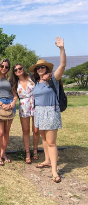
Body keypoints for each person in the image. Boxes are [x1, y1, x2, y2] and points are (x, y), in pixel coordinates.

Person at [31, 37, 66, 183]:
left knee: (51, 142)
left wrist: (61, 48)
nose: (40, 69)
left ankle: (54, 171)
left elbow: (63, 65)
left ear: (47, 69)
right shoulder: (36, 83)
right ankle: (47, 160)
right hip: (39, 112)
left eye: (43, 67)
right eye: (38, 67)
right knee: (44, 139)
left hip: (50, 111)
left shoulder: (53, 79)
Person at [0, 58, 18, 166]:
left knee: (6, 132)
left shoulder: (10, 79)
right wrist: (1, 104)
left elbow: (15, 94)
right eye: (2, 66)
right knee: (0, 133)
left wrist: (13, 103)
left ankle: (3, 153)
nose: (4, 68)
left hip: (10, 105)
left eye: (6, 67)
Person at [12, 63, 40, 164]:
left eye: (20, 68)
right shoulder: (15, 83)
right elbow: (15, 96)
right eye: (16, 70)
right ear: (14, 73)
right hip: (23, 105)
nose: (18, 70)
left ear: (23, 68)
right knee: (26, 130)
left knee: (36, 130)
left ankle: (35, 150)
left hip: (35, 104)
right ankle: (27, 152)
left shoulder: (32, 77)